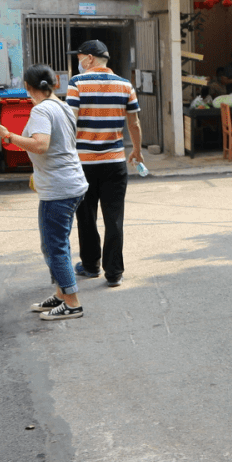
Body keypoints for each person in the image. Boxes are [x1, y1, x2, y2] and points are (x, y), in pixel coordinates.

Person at [0, 64, 89, 320]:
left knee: (54, 247)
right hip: (70, 183)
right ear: (55, 82)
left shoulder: (41, 110)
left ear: (27, 86)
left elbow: (40, 145)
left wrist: (8, 135)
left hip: (58, 189)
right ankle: (61, 295)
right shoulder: (63, 106)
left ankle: (72, 302)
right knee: (57, 244)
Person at [68, 40, 141, 288]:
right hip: (114, 163)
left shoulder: (77, 83)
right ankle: (114, 273)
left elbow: (70, 122)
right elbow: (134, 123)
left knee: (86, 216)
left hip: (84, 164)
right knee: (114, 218)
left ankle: (91, 266)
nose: (78, 62)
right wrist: (137, 151)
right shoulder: (125, 85)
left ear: (89, 58)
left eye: (79, 57)